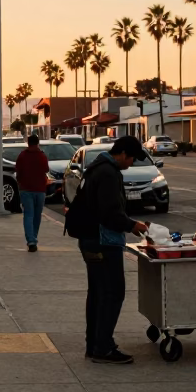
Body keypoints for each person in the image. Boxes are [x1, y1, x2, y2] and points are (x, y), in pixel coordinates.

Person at [74, 136, 148, 365]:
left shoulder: (97, 167)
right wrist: (132, 225)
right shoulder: (107, 173)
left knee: (98, 293)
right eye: (132, 158)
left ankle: (94, 345)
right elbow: (109, 214)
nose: (132, 163)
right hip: (102, 242)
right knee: (113, 293)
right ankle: (103, 348)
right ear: (123, 153)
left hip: (89, 240)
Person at [15, 134, 49, 252]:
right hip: (40, 190)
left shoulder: (22, 156)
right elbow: (46, 169)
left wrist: (20, 183)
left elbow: (18, 171)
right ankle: (34, 237)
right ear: (38, 143)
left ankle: (31, 240)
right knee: (37, 215)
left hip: (26, 190)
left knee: (28, 215)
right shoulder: (42, 156)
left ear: (28, 143)